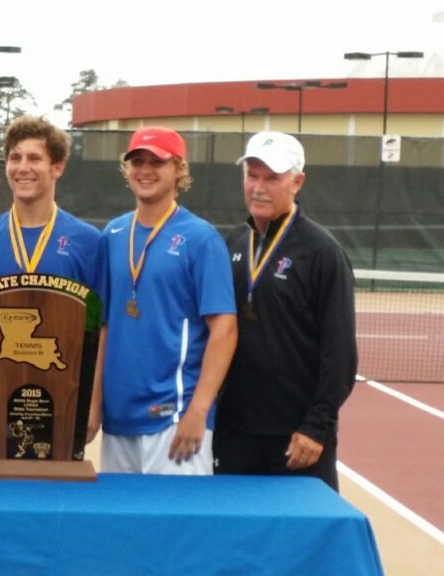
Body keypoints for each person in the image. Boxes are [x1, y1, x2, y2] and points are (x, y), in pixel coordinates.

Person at [0, 115, 102, 455]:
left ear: (57, 167)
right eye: (15, 157)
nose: (22, 167)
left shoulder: (88, 242)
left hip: (63, 408)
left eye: (34, 158)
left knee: (55, 505)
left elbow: (100, 328)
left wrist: (93, 401)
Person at [88, 126, 237, 475]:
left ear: (179, 170)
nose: (145, 170)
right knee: (123, 528)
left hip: (174, 419)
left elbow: (225, 329)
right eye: (137, 161)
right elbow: (102, 326)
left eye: (157, 162)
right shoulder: (112, 234)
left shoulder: (200, 239)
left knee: (178, 529)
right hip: (119, 421)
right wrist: (93, 405)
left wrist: (198, 411)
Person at [214, 131, 357, 491]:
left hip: (297, 439)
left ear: (298, 182)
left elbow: (339, 352)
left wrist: (316, 426)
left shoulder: (323, 252)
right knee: (235, 538)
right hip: (233, 433)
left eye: (272, 178)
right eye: (252, 175)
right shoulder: (229, 243)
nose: (258, 187)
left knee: (300, 543)